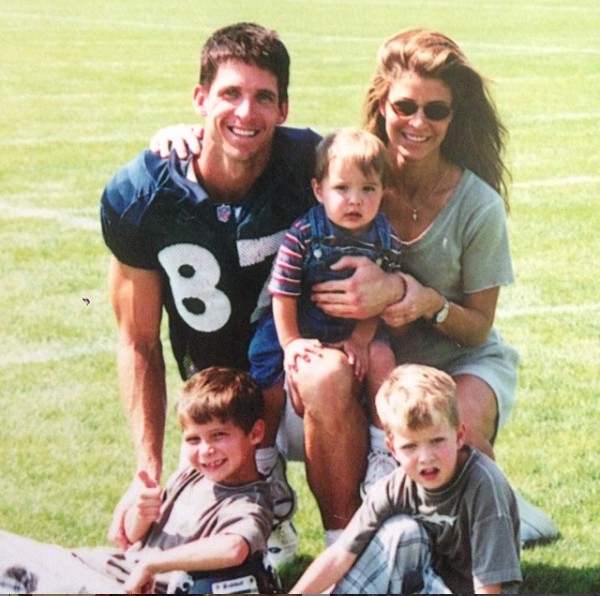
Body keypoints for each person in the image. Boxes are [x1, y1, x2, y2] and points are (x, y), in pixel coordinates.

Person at [150, 27, 558, 545]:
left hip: (453, 358)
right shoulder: (347, 169)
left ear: (455, 118)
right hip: (361, 356)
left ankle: (485, 518)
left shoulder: (477, 205)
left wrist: (417, 298)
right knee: (328, 382)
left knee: (458, 425)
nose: (418, 122)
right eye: (405, 105)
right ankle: (347, 543)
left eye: (437, 111)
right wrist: (178, 137)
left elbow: (478, 328)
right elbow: (250, 139)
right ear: (382, 105)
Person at [101, 21, 376, 559]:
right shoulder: (142, 194)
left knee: (323, 374)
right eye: (230, 94)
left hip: (303, 396)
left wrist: (393, 287)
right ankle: (271, 514)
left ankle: (346, 550)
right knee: (169, 549)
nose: (246, 113)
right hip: (219, 412)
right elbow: (138, 342)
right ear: (200, 98)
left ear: (284, 109)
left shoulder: (309, 167)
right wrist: (146, 471)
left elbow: (378, 178)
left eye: (262, 97)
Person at [0, 367, 280, 595]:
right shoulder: (192, 474)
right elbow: (133, 538)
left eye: (219, 435)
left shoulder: (249, 499)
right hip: (103, 566)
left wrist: (152, 564)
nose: (205, 450)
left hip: (122, 586)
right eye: (194, 439)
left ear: (255, 433)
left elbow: (233, 548)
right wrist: (142, 513)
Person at [290, 364, 522, 594]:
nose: (425, 458)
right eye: (410, 446)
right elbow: (341, 553)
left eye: (437, 441)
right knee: (400, 532)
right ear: (392, 449)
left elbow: (489, 588)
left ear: (460, 436)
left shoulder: (483, 485)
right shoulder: (396, 486)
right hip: (425, 585)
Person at [249, 127, 400, 427]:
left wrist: (359, 339)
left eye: (368, 189)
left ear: (383, 191)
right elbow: (283, 292)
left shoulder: (386, 238)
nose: (355, 200)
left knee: (382, 358)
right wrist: (291, 341)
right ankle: (264, 449)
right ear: (319, 190)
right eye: (342, 188)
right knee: (263, 355)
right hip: (301, 318)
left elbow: (378, 302)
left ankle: (383, 441)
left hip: (355, 324)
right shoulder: (304, 233)